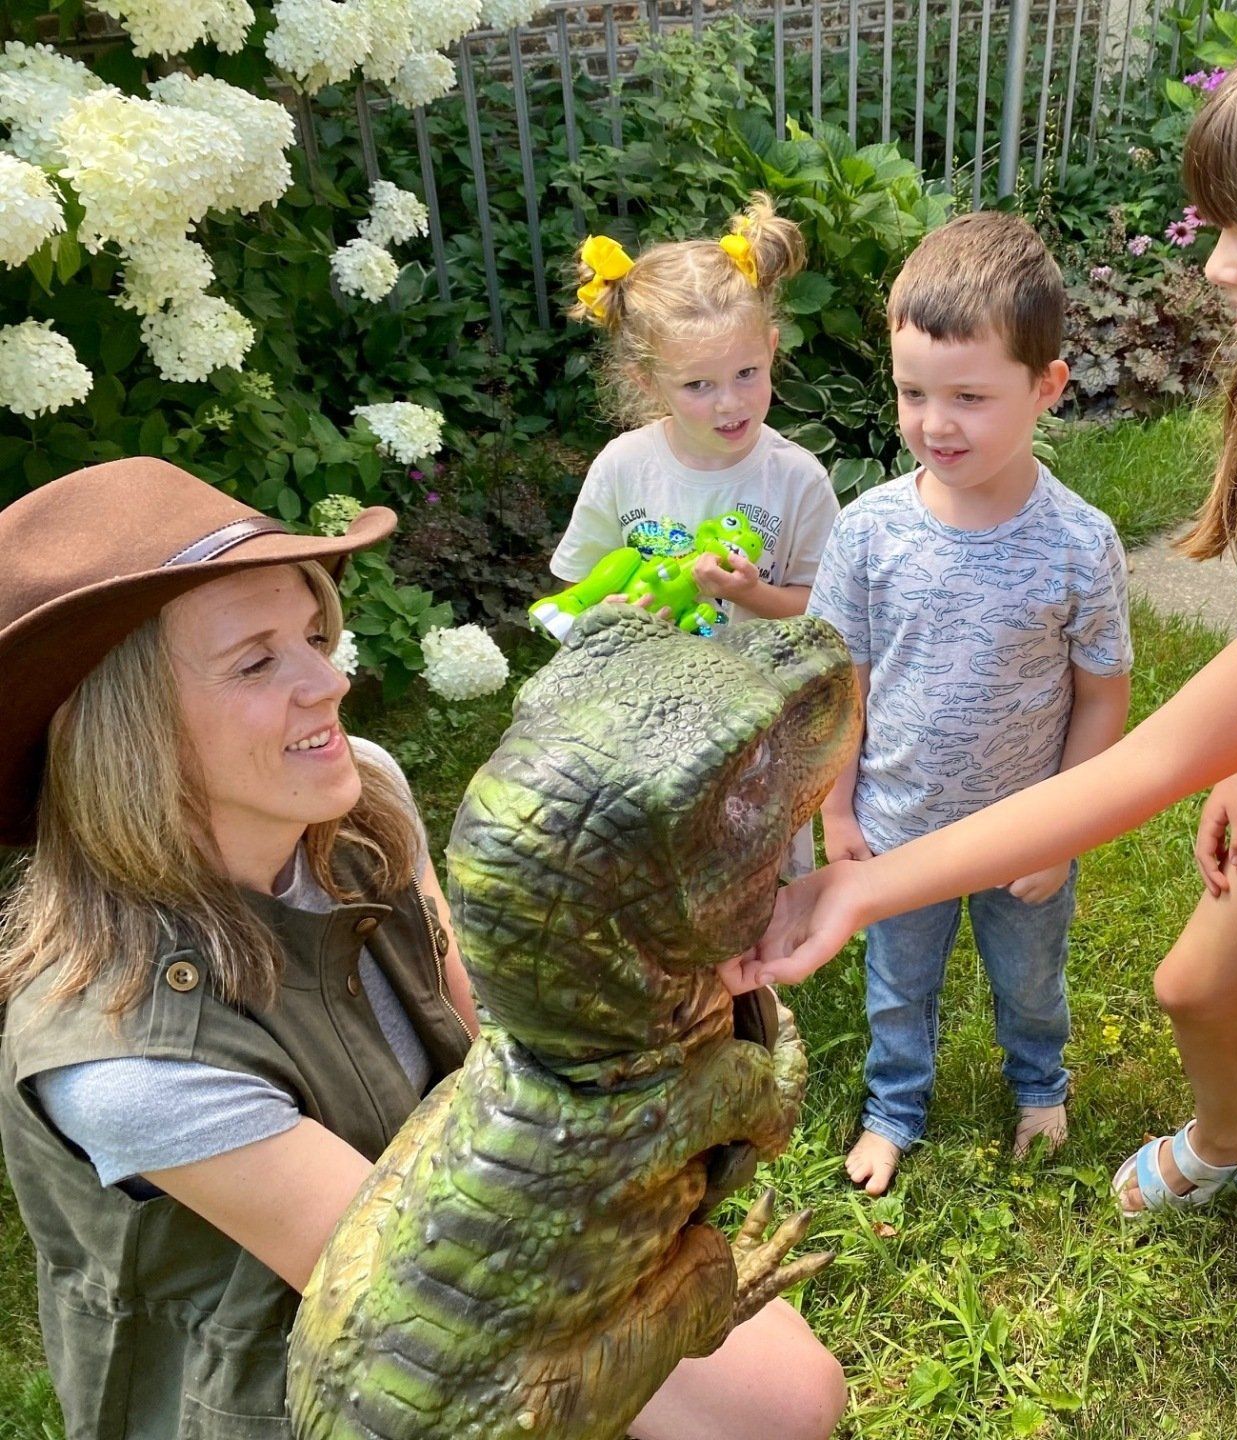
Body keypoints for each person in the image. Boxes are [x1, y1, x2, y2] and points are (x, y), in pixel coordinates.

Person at [739, 0, 1237, 1374]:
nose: (1220, 267)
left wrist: (866, 883)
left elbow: (1143, 758)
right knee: (1190, 989)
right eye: (1219, 228)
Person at [0, 460, 846, 1440]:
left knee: (790, 1394)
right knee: (772, 1406)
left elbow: (503, 1039)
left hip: (482, 1214)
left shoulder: (362, 797)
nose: (333, 680)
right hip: (336, 1372)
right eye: (257, 661)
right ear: (122, 731)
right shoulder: (127, 1054)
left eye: (315, 636)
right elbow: (422, 1302)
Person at [806, 211, 1133, 1196]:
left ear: (1047, 387)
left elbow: (1103, 695)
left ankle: (1040, 1086)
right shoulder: (868, 535)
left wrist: (1060, 831)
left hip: (1023, 835)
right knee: (895, 986)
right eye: (913, 393)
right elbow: (840, 686)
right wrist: (833, 807)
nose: (935, 423)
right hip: (897, 829)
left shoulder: (1080, 543)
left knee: (1029, 980)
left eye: (969, 397)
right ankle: (893, 1109)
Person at [553, 193, 840, 624]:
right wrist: (604, 615)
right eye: (698, 384)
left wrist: (751, 594)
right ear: (646, 381)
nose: (730, 402)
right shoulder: (623, 467)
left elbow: (826, 609)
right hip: (645, 684)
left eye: (746, 372)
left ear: (771, 349)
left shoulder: (799, 481)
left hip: (761, 688)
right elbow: (577, 589)